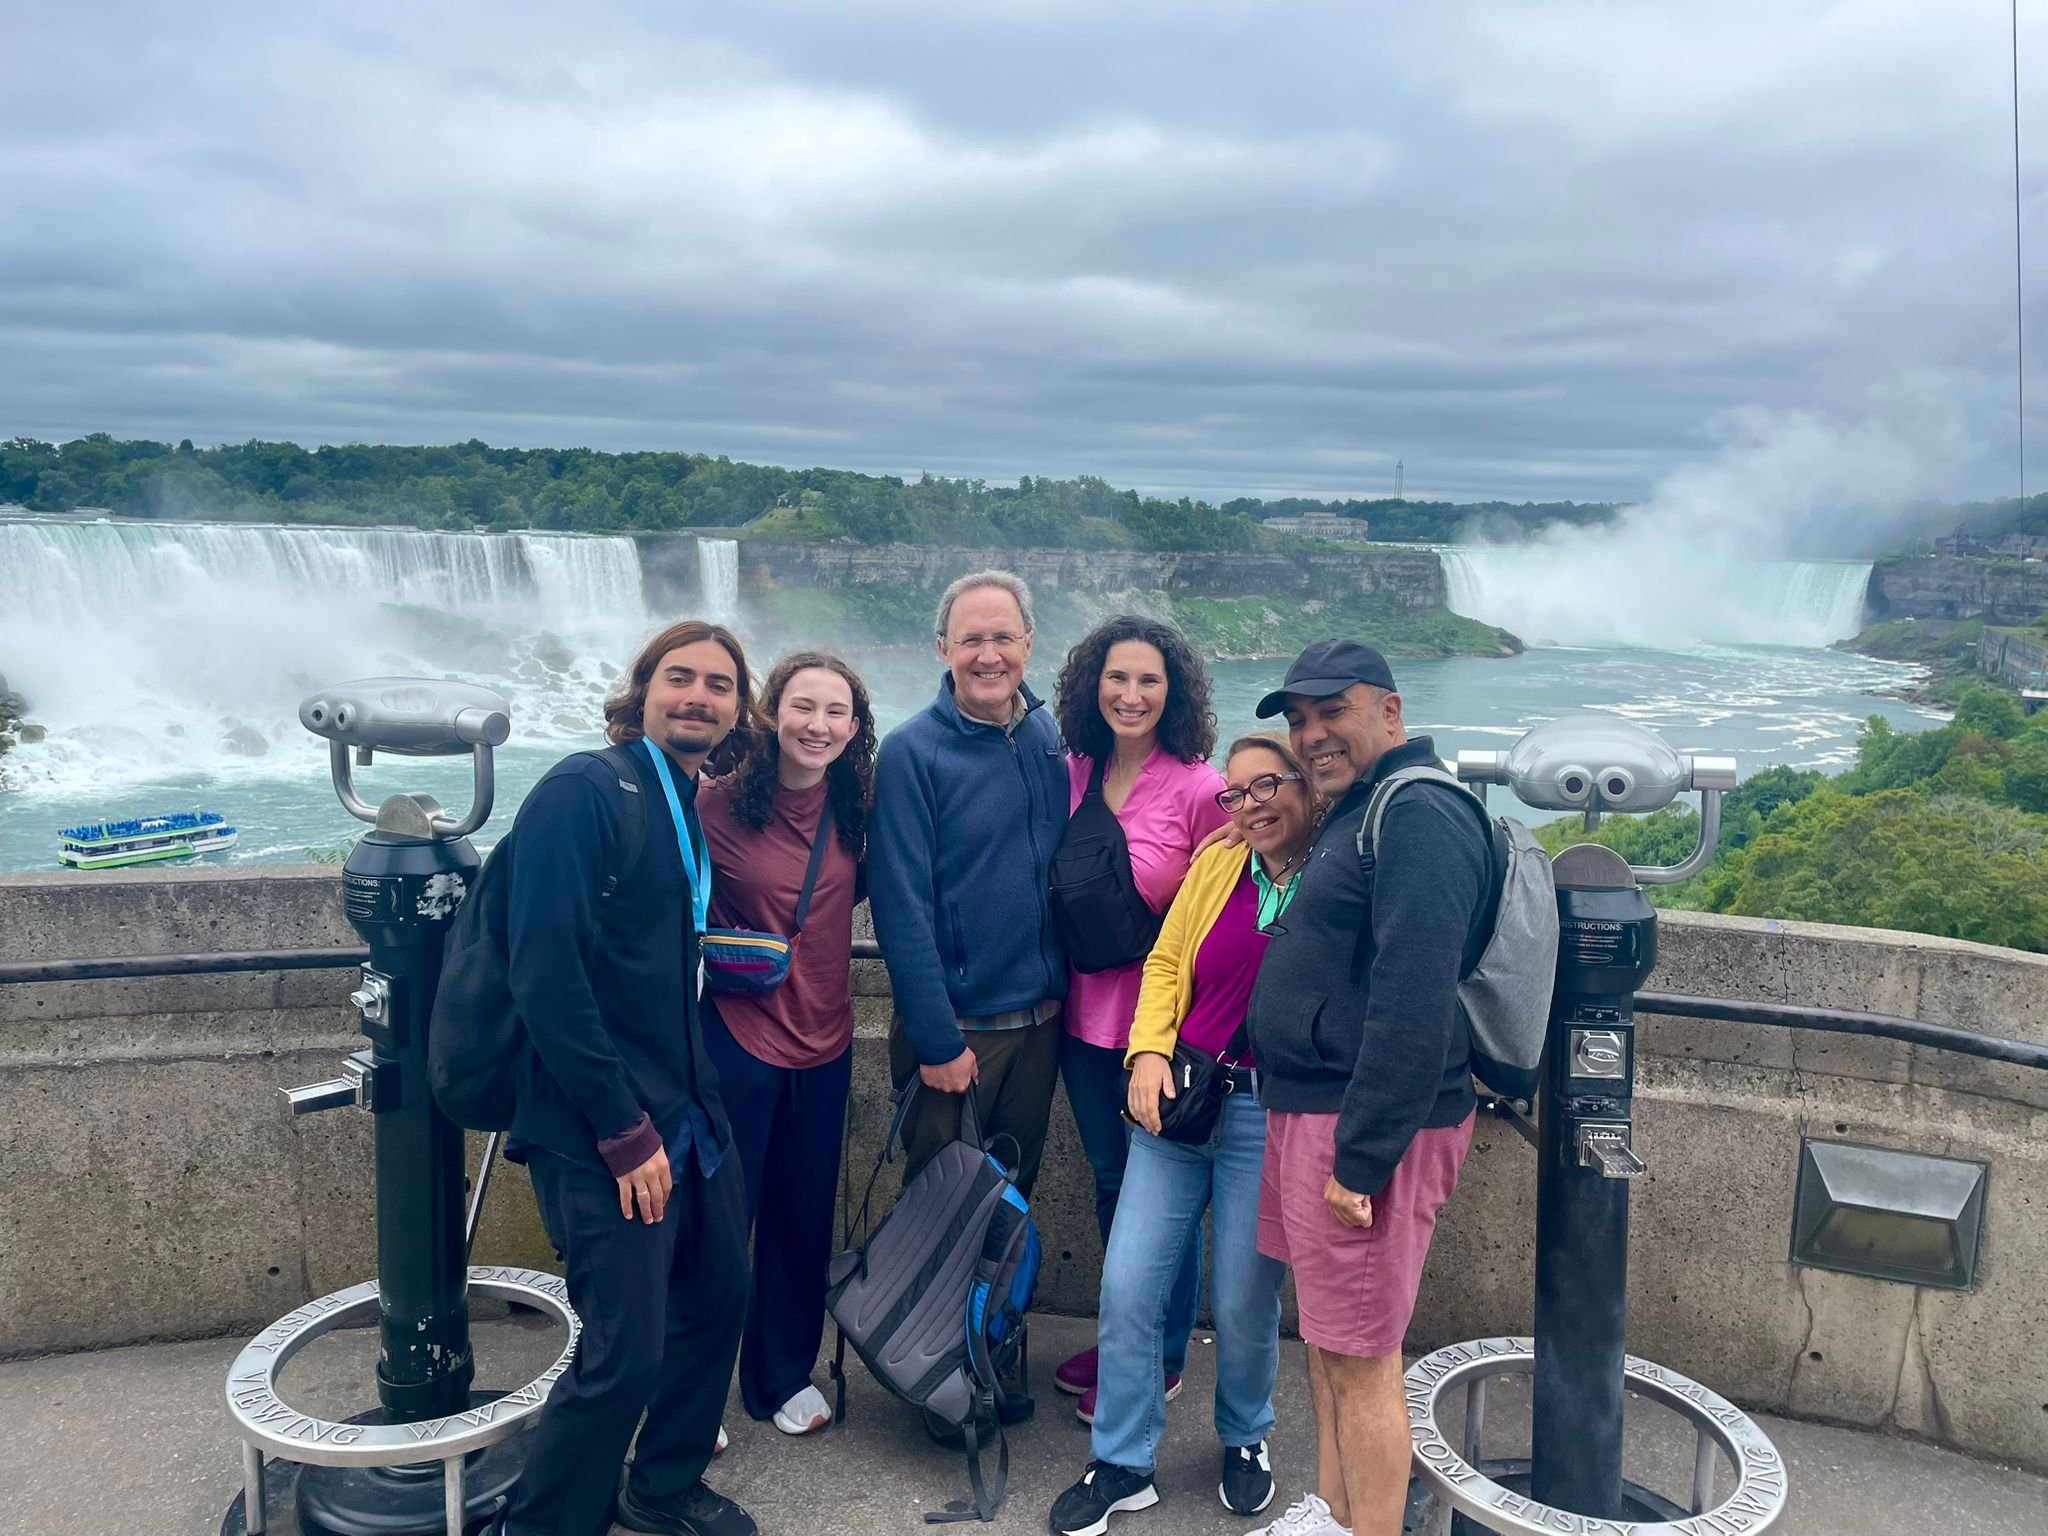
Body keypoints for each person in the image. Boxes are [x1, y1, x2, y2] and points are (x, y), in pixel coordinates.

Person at [494, 620, 758, 1536]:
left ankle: (663, 1488)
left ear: (736, 709)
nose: (699, 696)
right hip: (600, 1121)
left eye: (719, 685)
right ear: (641, 691)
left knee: (721, 1295)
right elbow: (545, 976)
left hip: (687, 1104)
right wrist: (620, 1128)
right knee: (622, 1356)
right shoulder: (583, 791)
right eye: (679, 678)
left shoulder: (682, 796)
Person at [1242, 640, 1491, 1536]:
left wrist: (1362, 1159)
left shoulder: (1420, 814)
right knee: (1328, 1342)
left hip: (1362, 1127)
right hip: (1311, 1110)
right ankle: (1334, 1509)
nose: (1312, 735)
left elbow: (1414, 1002)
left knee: (1363, 1356)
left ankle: (1369, 1525)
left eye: (1330, 712)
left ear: (1390, 710)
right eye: (1299, 721)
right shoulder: (1362, 809)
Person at [1049, 736, 1318, 1536]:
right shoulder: (1218, 865)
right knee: (1129, 1285)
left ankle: (1245, 1436)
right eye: (1235, 794)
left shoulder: (1336, 875)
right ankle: (1123, 1460)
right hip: (1178, 1098)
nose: (1250, 804)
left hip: (1265, 1113)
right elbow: (1167, 962)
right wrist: (1147, 1051)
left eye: (1268, 785)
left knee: (1243, 1300)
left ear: (1307, 788)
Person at [1047, 616, 1229, 1422]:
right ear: (1093, 686)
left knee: (1169, 1197)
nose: (1130, 694)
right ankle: (1128, 1335)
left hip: (1162, 1033)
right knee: (1113, 1182)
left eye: (1148, 680)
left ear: (1174, 691)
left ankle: (1159, 1354)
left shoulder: (1198, 786)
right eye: (1117, 678)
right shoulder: (1070, 772)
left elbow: (1228, 910)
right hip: (1080, 1024)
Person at [697, 651, 874, 1439]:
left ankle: (781, 1374)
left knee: (803, 1218)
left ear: (855, 727)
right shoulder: (719, 806)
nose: (819, 725)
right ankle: (695, 1388)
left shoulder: (856, 805)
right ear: (772, 713)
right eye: (804, 707)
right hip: (739, 1036)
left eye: (836, 712)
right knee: (721, 1221)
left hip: (826, 1041)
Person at [869, 568, 1069, 1203]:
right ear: (942, 649)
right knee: (936, 1209)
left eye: (1004, 637)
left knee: (1010, 1201)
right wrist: (937, 1039)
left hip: (1040, 1024)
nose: (989, 656)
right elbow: (900, 908)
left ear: (1029, 644)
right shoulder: (910, 753)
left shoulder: (1044, 735)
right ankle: (926, 1310)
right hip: (961, 1032)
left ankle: (996, 1309)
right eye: (971, 639)